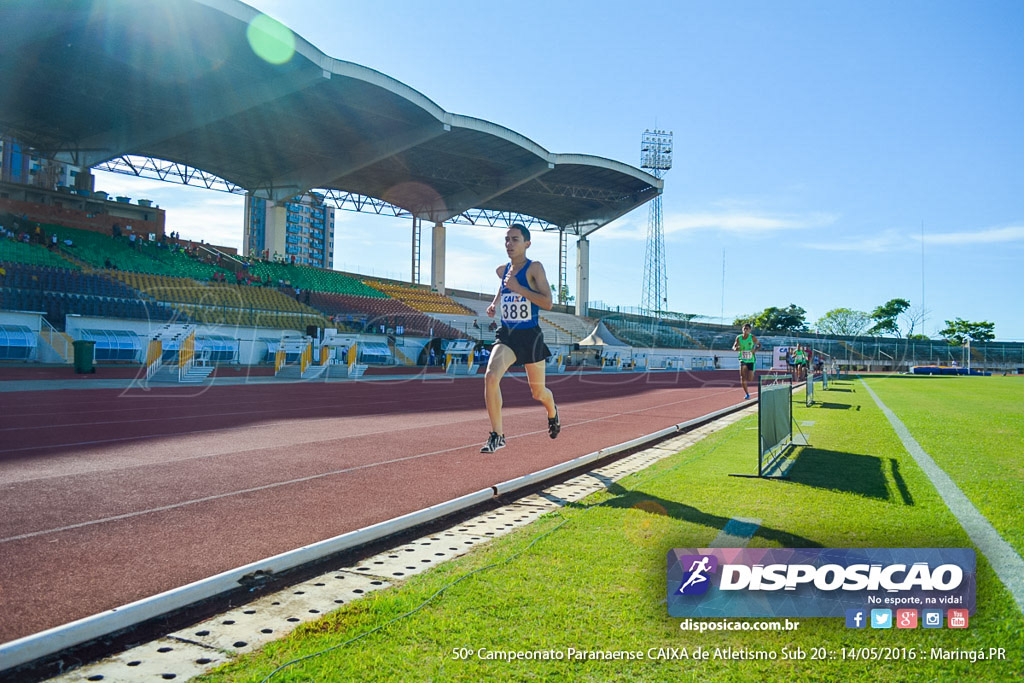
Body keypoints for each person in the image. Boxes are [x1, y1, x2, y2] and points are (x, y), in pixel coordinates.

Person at [480, 224, 559, 453]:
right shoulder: (502, 270)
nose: (509, 244)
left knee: (538, 393)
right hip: (508, 334)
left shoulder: (534, 268)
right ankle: (498, 435)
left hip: (530, 336)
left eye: (515, 239)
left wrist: (519, 288)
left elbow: (547, 302)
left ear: (527, 244)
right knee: (491, 376)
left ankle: (552, 411)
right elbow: (503, 285)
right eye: (506, 240)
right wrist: (495, 302)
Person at [732, 323, 760, 400]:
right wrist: (735, 348)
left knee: (750, 379)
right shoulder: (739, 338)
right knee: (743, 377)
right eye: (744, 328)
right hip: (742, 359)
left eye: (747, 329)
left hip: (751, 359)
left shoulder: (752, 337)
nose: (745, 330)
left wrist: (755, 350)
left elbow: (759, 345)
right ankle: (747, 393)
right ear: (742, 330)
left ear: (750, 330)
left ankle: (751, 372)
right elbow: (734, 346)